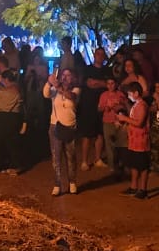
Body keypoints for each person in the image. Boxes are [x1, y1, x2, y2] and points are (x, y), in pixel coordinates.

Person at [44, 67, 80, 196]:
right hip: (55, 125)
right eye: (63, 75)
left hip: (69, 126)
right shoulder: (55, 90)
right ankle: (57, 184)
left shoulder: (76, 89)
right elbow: (46, 94)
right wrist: (49, 82)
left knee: (70, 157)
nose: (65, 77)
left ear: (73, 78)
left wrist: (57, 85)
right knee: (56, 157)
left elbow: (70, 96)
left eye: (68, 75)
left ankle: (72, 182)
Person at [117, 80, 152, 199]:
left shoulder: (142, 105)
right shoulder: (136, 105)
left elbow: (139, 123)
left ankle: (143, 189)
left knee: (142, 166)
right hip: (134, 141)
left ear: (136, 93)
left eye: (130, 93)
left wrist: (124, 118)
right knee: (135, 165)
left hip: (141, 141)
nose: (129, 96)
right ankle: (134, 187)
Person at [78, 47, 111, 170]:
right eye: (98, 54)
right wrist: (102, 83)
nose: (100, 56)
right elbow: (89, 83)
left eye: (102, 54)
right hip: (88, 105)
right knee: (87, 134)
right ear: (94, 55)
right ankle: (84, 161)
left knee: (99, 133)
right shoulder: (87, 69)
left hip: (102, 106)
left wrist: (99, 83)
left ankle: (97, 159)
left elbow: (109, 85)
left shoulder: (107, 70)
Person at [98, 76, 129, 176]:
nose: (111, 85)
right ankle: (112, 166)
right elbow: (99, 108)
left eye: (112, 83)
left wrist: (120, 106)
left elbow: (127, 106)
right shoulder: (103, 95)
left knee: (121, 144)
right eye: (108, 83)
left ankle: (122, 164)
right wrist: (105, 108)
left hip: (119, 122)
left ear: (116, 84)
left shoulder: (120, 94)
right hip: (107, 122)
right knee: (109, 145)